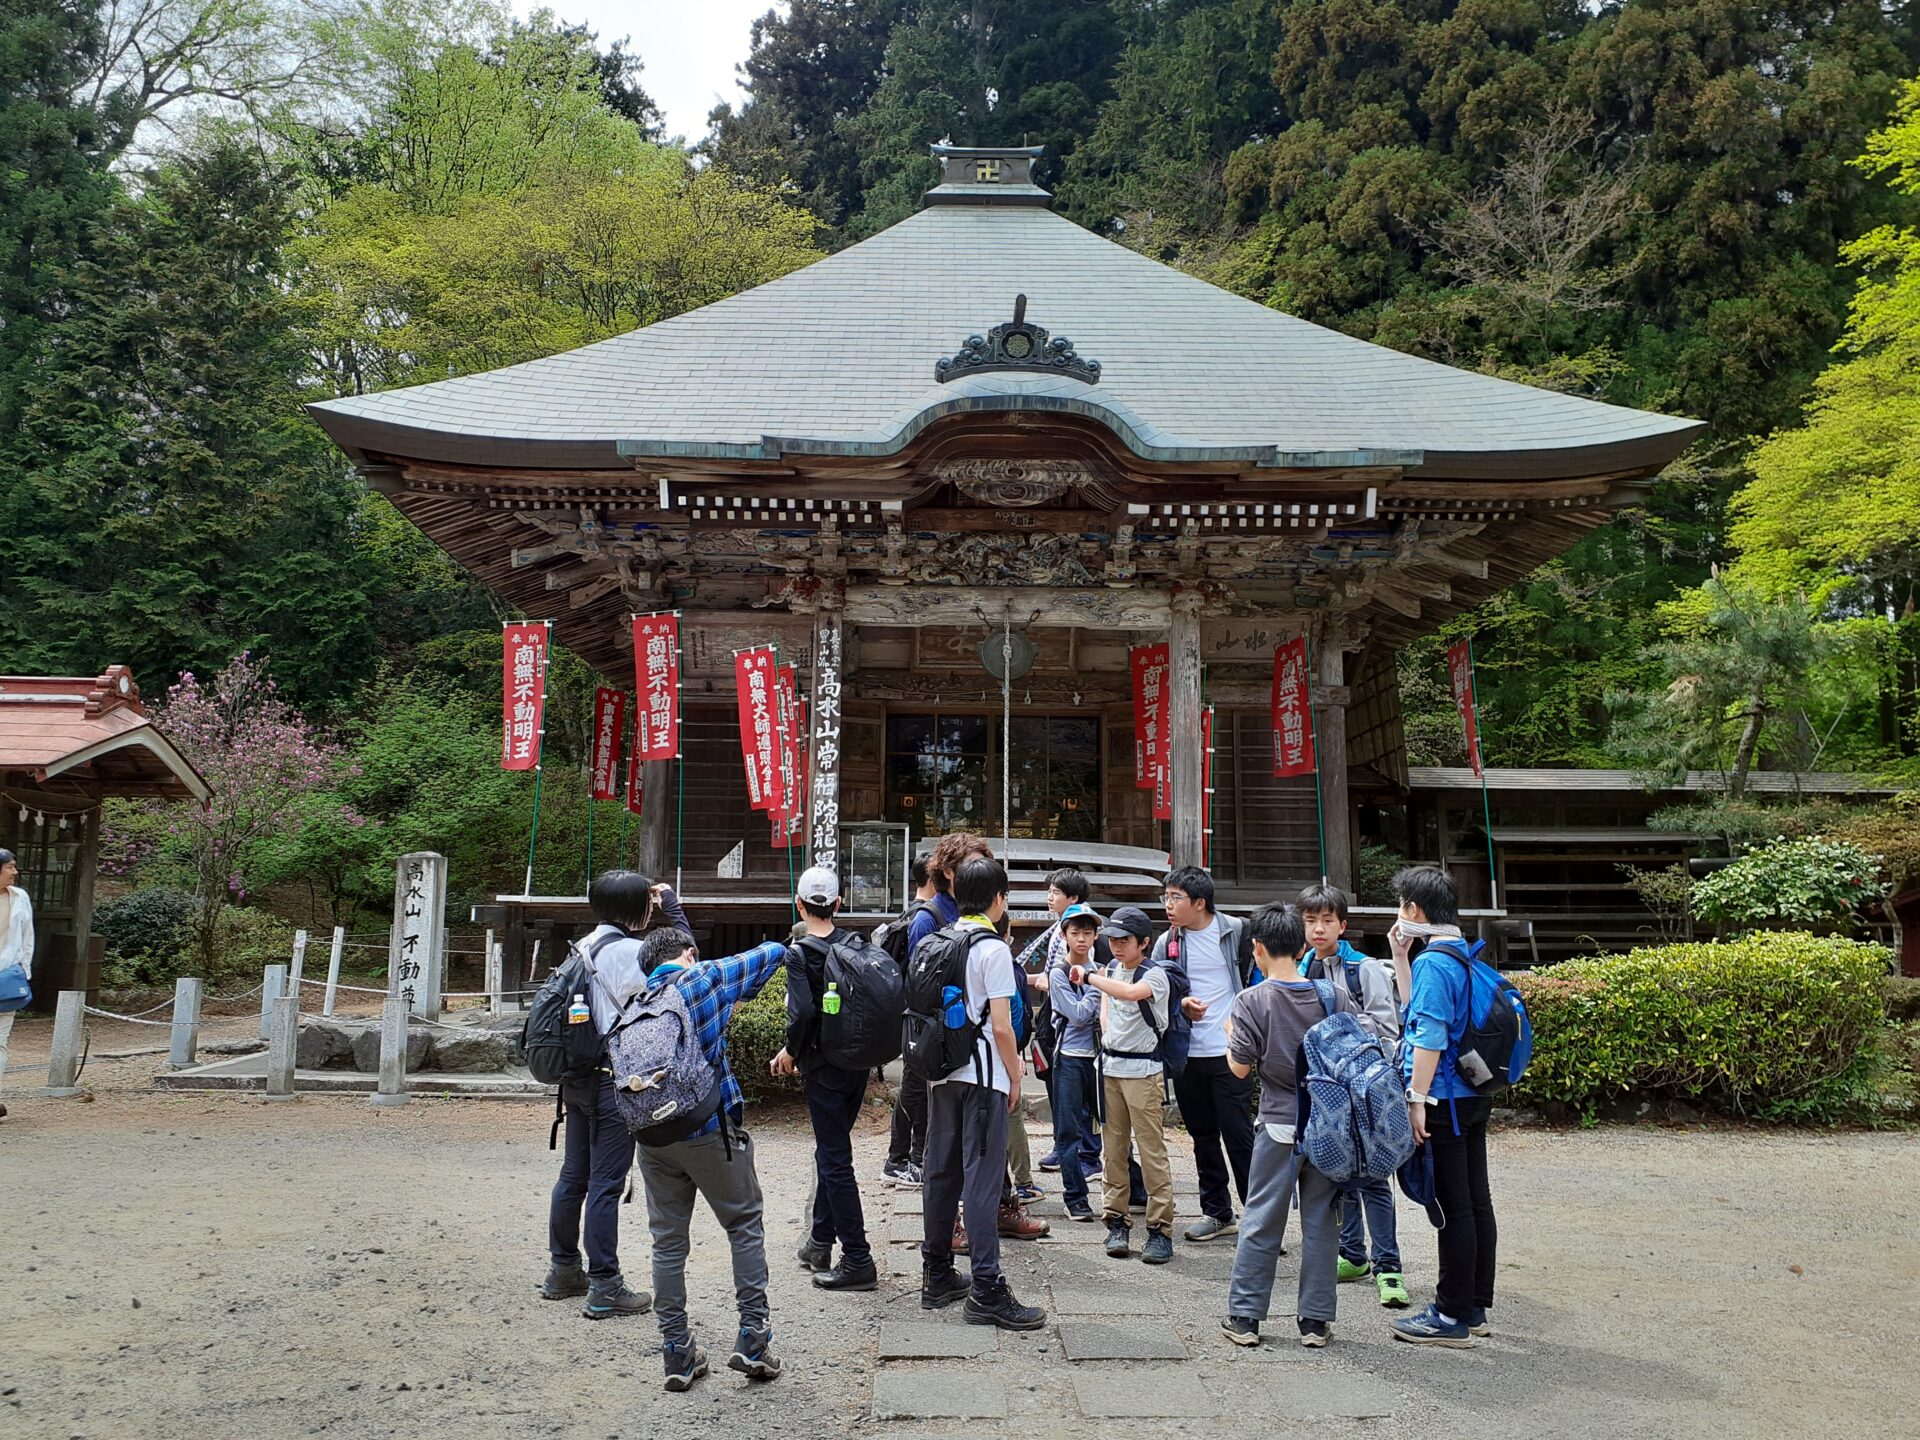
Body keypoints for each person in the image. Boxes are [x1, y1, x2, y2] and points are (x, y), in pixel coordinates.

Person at [631, 924, 791, 1390]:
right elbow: (771, 952)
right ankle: (753, 1340)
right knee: (743, 1225)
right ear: (688, 953)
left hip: (651, 1138)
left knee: (666, 1242)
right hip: (708, 1131)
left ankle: (677, 1353)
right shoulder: (703, 981)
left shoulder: (637, 1004)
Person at [1220, 903, 1368, 1348]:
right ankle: (1315, 1322)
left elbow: (1240, 1070)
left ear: (1258, 948)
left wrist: (1231, 1033)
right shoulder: (1332, 996)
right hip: (1329, 1128)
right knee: (1323, 1222)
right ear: (1301, 945)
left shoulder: (1251, 1000)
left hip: (1280, 1124)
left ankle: (1246, 1318)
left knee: (1262, 1219)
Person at [541, 870, 683, 1320]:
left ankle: (564, 1269)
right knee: (607, 1182)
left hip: (577, 1078)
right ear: (640, 908)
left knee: (574, 1176)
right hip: (610, 1080)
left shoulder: (582, 947)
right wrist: (672, 910)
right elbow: (683, 968)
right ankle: (606, 1286)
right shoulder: (631, 952)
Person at [917, 855, 1047, 1329]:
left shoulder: (936, 939)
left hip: (941, 1075)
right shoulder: (991, 949)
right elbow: (1002, 1027)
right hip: (983, 1076)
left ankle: (936, 1275)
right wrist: (1015, 1078)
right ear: (998, 899)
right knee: (982, 1178)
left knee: (940, 1174)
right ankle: (987, 1289)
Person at [1388, 865, 1497, 1348]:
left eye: (1401, 905)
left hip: (1444, 1099)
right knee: (1475, 1201)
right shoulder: (1461, 953)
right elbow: (1420, 1014)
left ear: (1414, 910)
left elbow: (1428, 1037)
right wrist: (1399, 956)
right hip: (1474, 1094)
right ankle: (1473, 1306)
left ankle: (1450, 1315)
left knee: (1452, 1207)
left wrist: (1416, 1098)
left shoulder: (1436, 962)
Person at [1296, 881, 1409, 1309]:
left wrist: (1345, 1039)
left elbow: (1388, 1029)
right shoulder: (1301, 967)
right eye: (1311, 921)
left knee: (1375, 1177)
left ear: (1343, 925)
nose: (1319, 929)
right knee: (1337, 1172)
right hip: (1325, 1092)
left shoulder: (1365, 970)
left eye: (1327, 921)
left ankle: (1389, 1267)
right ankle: (1353, 1255)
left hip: (1367, 1089)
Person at [773, 866, 877, 1293]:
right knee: (831, 1150)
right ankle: (819, 1240)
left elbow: (802, 1013)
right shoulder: (855, 943)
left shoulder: (800, 952)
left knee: (835, 1160)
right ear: (838, 903)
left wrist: (790, 1051)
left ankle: (858, 1257)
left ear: (799, 905)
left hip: (823, 1066)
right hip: (856, 1063)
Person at [1154, 866, 1253, 1243]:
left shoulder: (1236, 932)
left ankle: (1258, 1219)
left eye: (1176, 898)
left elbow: (1256, 980)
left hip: (1231, 1051)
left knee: (1239, 1134)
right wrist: (1181, 1003)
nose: (1168, 905)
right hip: (1188, 1053)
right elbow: (1162, 991)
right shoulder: (1167, 943)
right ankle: (1217, 1211)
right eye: (1166, 897)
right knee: (1201, 1135)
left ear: (1200, 902)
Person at [1086, 904, 1177, 1265]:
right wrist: (1108, 1032)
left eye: (1124, 940)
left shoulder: (1155, 975)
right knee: (1113, 1150)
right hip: (1110, 1068)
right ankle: (1116, 1222)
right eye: (1112, 939)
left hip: (1143, 1072)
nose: (1117, 946)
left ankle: (1159, 1229)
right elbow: (1107, 1006)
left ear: (1144, 942)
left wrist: (1088, 977)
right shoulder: (1109, 969)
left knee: (1152, 1152)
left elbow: (1128, 994)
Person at [1042, 903, 1105, 1221]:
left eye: (1087, 932)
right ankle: (1075, 1197)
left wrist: (1096, 982)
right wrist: (1098, 986)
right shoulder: (1058, 973)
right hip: (1068, 1059)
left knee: (1113, 1128)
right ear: (1065, 935)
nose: (1081, 938)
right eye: (1075, 932)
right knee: (1068, 1133)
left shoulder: (1104, 969)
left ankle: (1134, 1190)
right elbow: (1079, 1016)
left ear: (1095, 936)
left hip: (1100, 1060)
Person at [882, 856, 939, 1186]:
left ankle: (915, 1157)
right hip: (918, 1018)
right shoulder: (922, 919)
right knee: (915, 1088)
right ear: (933, 879)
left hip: (914, 1017)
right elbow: (922, 974)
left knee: (918, 1087)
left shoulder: (912, 913)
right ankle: (898, 1159)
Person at [0, 848, 32, 1121]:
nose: (15, 871)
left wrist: (24, 971)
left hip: (6, 976)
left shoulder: (20, 897)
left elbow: (27, 937)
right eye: (10, 867)